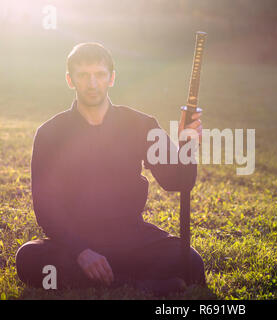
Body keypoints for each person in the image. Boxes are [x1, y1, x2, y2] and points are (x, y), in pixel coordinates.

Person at [15, 42, 205, 296]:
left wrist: (188, 143)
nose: (92, 83)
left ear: (111, 78)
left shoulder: (140, 125)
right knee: (28, 258)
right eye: (83, 75)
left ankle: (112, 278)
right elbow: (45, 209)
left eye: (99, 74)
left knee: (190, 262)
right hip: (77, 239)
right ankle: (136, 284)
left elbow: (178, 181)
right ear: (70, 80)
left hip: (130, 236)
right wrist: (80, 251)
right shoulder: (50, 133)